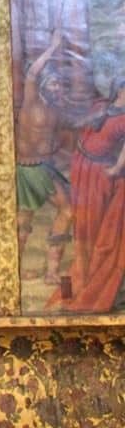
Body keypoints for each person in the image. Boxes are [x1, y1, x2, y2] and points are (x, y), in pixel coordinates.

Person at [50, 78, 125, 312]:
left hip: (100, 174)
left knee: (95, 226)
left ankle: (93, 277)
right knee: (82, 224)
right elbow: (81, 122)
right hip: (82, 167)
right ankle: (82, 272)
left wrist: (116, 168)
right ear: (119, 90)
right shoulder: (102, 106)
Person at [15, 27, 71, 284]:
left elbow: (55, 143)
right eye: (53, 83)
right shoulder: (32, 101)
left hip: (42, 168)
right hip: (30, 169)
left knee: (62, 211)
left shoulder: (55, 111)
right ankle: (23, 271)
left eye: (59, 84)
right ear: (43, 85)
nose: (57, 87)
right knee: (62, 211)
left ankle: (51, 272)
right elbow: (31, 74)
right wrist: (53, 46)